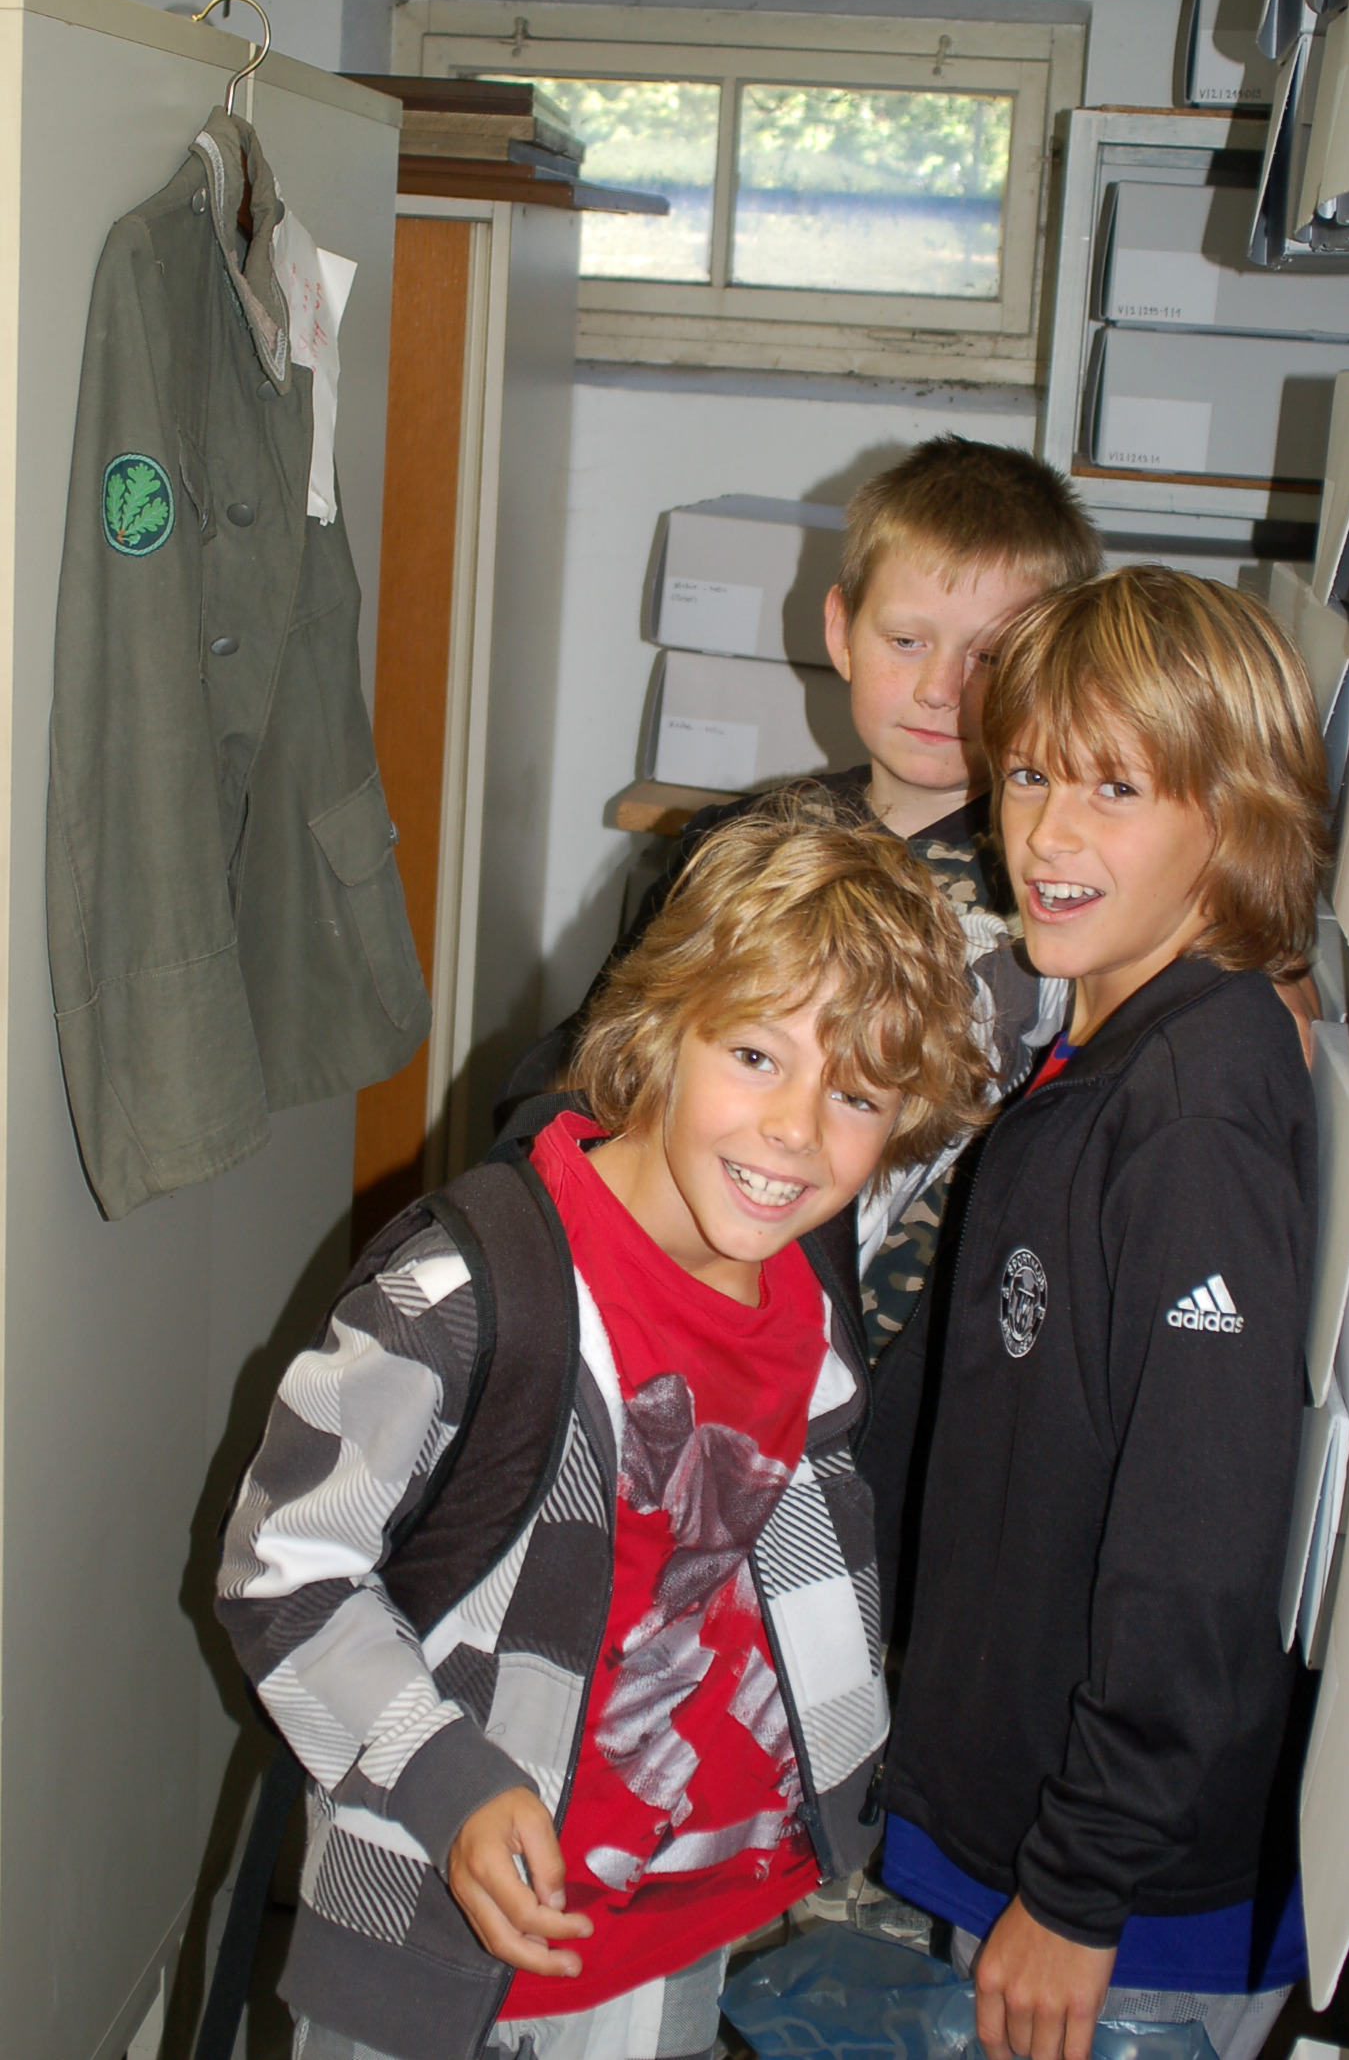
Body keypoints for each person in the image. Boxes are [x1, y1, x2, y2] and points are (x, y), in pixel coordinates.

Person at [215, 797, 997, 2060]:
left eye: (855, 1093)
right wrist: (448, 1782)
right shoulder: (472, 1290)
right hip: (435, 1921)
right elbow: (280, 1571)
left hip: (674, 1933)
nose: (797, 1130)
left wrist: (841, 1778)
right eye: (756, 1054)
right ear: (659, 1026)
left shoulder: (806, 1314)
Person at [878, 567, 1328, 2060]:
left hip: (1115, 1906)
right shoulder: (1112, 1040)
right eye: (1027, 776)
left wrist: (1079, 1882)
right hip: (1035, 1818)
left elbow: (1197, 1541)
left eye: (1114, 788)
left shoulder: (1192, 1114)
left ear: (1235, 816)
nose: (1047, 834)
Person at [504, 436, 1102, 1366]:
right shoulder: (742, 845)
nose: (941, 690)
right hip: (673, 1324)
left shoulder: (1062, 891)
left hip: (911, 1366)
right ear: (840, 631)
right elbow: (595, 1065)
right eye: (906, 642)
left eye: (990, 656)